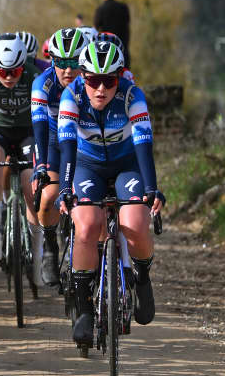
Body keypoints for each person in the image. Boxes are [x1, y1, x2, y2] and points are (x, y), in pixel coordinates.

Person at [57, 41, 164, 348]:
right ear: (83, 77)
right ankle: (85, 309)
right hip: (86, 165)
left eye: (109, 81)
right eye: (93, 80)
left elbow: (144, 143)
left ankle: (142, 278)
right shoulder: (72, 95)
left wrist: (150, 188)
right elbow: (66, 147)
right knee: (88, 225)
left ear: (120, 77)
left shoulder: (132, 95)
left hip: (126, 164)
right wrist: (65, 188)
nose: (100, 89)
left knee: (135, 222)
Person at [0, 34, 41, 270]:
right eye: (3, 71)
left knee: (30, 180)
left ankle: (37, 245)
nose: (10, 76)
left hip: (27, 130)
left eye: (16, 70)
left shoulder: (34, 76)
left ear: (25, 65)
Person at [30, 28, 90, 287]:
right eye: (60, 63)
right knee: (49, 196)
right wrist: (42, 164)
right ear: (51, 61)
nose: (68, 70)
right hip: (53, 143)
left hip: (86, 144)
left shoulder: (93, 83)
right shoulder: (42, 84)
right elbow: (40, 126)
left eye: (74, 63)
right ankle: (50, 245)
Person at [93, 0, 131, 67]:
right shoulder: (123, 7)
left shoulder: (101, 9)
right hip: (123, 47)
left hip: (107, 50)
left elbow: (95, 28)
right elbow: (127, 25)